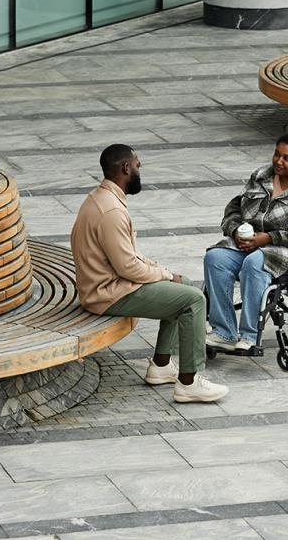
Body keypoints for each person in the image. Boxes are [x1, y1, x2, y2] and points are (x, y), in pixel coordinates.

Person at [71, 144, 227, 403]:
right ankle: (190, 382)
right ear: (125, 168)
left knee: (185, 284)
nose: (139, 170)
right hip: (107, 293)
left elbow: (128, 257)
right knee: (193, 300)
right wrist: (165, 275)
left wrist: (164, 272)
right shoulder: (111, 211)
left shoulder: (102, 199)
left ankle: (161, 365)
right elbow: (128, 267)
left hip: (105, 284)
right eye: (137, 165)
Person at [203, 131, 288, 351]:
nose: (278, 162)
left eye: (287, 158)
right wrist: (236, 231)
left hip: (286, 248)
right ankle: (223, 332)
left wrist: (269, 237)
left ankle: (250, 336)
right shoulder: (261, 175)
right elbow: (234, 208)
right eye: (276, 154)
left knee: (254, 263)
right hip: (249, 240)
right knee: (215, 257)